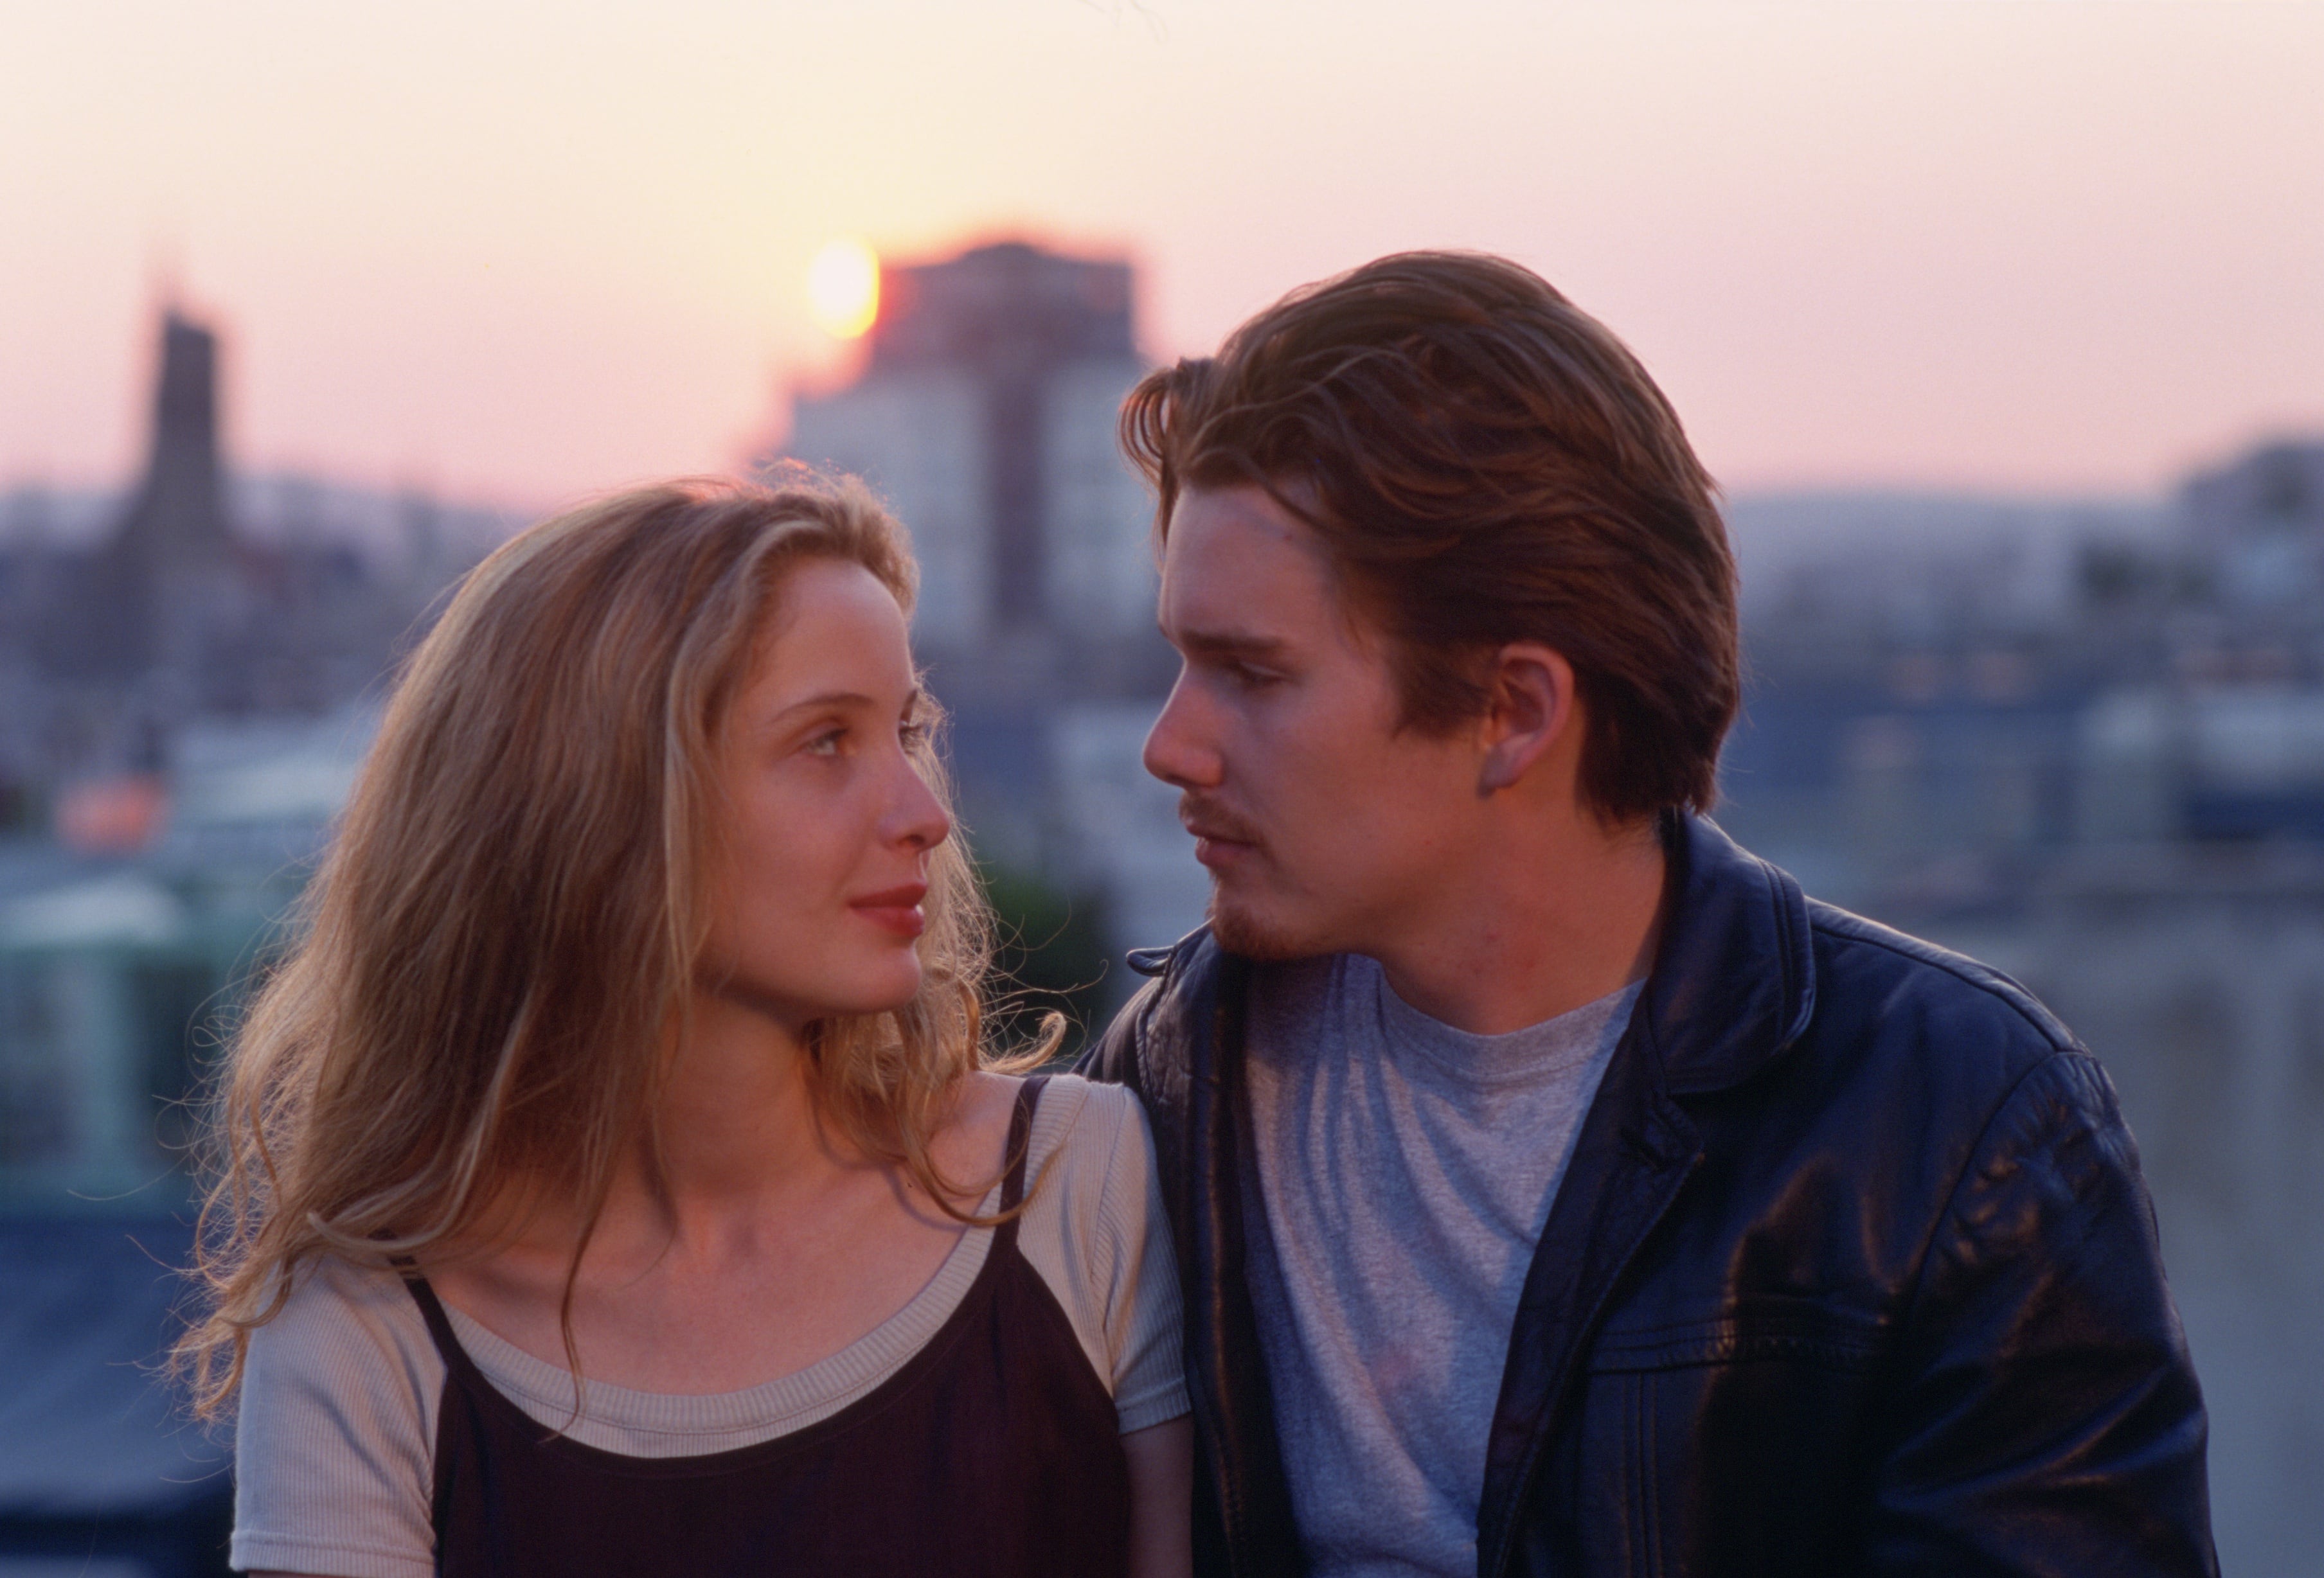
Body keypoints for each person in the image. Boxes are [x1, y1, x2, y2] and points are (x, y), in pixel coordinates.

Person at [1081, 253, 2217, 1577]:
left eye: (1248, 674)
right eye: (1178, 660)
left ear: (1512, 712)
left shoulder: (1957, 1134)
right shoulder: (1179, 1070)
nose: (1171, 745)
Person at [179, 477, 1193, 1578]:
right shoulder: (368, 1326)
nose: (924, 814)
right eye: (825, 743)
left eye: (905, 732)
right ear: (604, 803)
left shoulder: (1069, 1187)